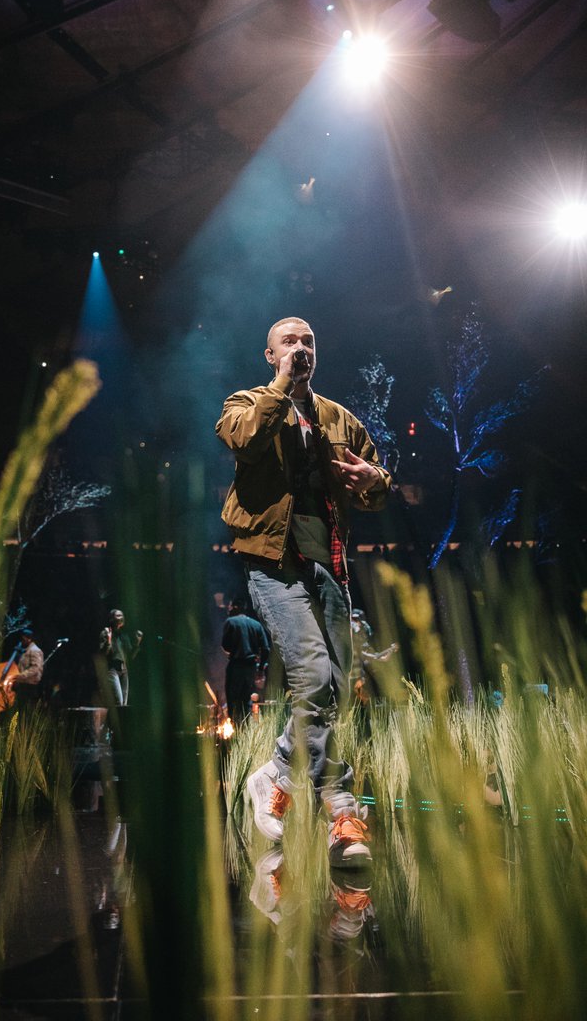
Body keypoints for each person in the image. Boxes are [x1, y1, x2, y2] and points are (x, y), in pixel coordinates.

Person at [216, 316, 391, 866]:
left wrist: (374, 483)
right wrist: (279, 392)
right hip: (272, 561)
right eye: (289, 342)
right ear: (270, 355)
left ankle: (300, 785)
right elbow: (243, 439)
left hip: (328, 566)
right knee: (313, 676)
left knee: (338, 688)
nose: (301, 348)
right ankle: (308, 792)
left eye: (308, 341)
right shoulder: (245, 401)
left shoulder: (338, 417)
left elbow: (377, 480)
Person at [222, 596, 271, 719]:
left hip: (235, 666)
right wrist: (260, 669)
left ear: (236, 607)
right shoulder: (256, 624)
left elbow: (225, 645)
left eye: (230, 606)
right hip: (250, 668)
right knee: (247, 701)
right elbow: (266, 649)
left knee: (233, 700)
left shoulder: (230, 622)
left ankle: (235, 732)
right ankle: (245, 730)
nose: (228, 609)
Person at [350, 609, 398, 706]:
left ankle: (379, 701)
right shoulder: (349, 634)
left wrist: (389, 652)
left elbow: (379, 658)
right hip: (352, 677)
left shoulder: (363, 635)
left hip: (360, 678)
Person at [99, 609, 143, 706]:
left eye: (122, 615)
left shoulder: (124, 636)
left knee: (124, 704)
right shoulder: (106, 633)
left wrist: (137, 643)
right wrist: (109, 640)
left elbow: (131, 656)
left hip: (124, 670)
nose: (121, 618)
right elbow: (103, 654)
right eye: (118, 616)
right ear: (111, 619)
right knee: (119, 702)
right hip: (112, 669)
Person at [7, 624, 44, 708]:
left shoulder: (35, 651)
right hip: (23, 684)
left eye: (23, 639)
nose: (21, 641)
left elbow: (35, 668)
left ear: (29, 639)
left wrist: (19, 676)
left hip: (29, 685)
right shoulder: (26, 651)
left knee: (24, 709)